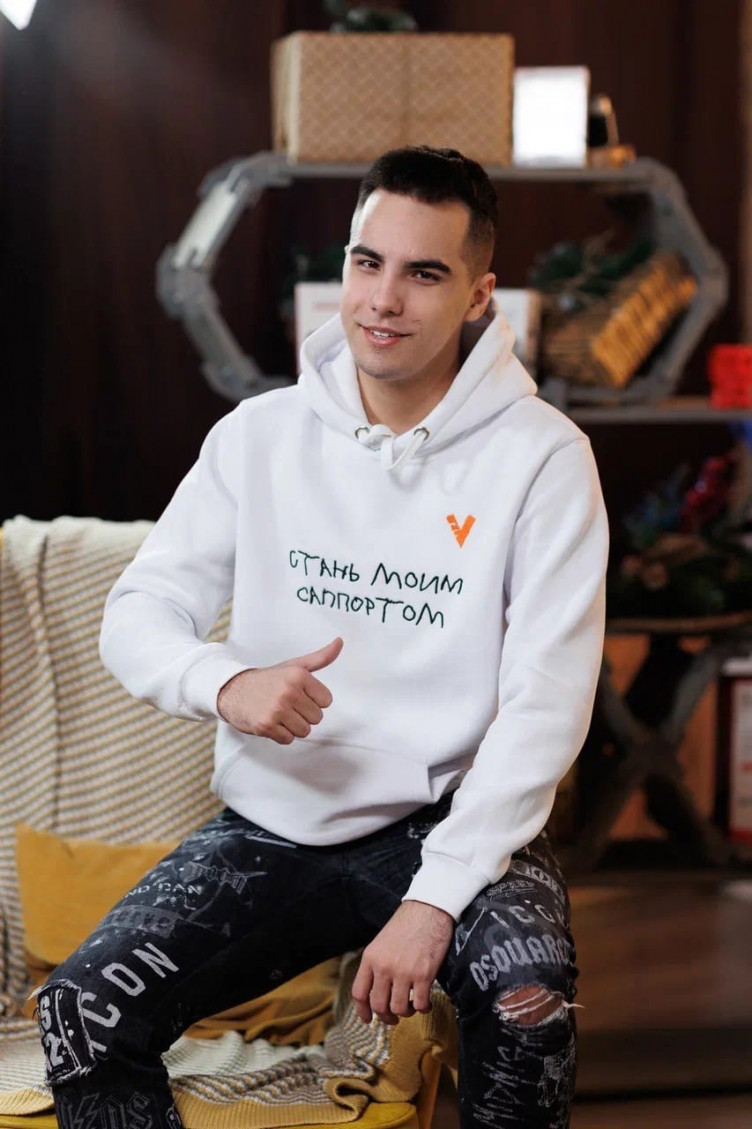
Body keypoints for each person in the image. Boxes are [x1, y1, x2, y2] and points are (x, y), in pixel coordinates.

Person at [35, 146, 609, 1129]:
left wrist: (432, 901)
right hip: (277, 820)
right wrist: (225, 682)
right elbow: (137, 613)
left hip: (447, 817)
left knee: (529, 1004)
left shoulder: (543, 459)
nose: (383, 298)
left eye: (423, 273)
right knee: (82, 1011)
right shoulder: (258, 436)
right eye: (366, 261)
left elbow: (545, 706)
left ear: (478, 295)